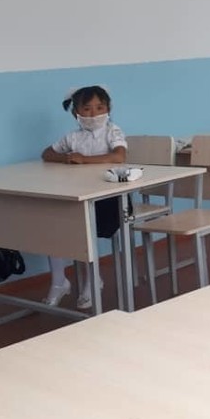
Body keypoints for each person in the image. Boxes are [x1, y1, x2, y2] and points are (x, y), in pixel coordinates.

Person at [41, 85, 127, 307]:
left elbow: (119, 157)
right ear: (76, 112)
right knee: (53, 223)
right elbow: (47, 153)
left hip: (109, 199)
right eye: (87, 109)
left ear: (108, 109)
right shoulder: (73, 137)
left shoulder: (112, 131)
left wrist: (84, 160)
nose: (94, 114)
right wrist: (66, 158)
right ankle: (59, 281)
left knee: (81, 229)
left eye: (100, 108)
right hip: (78, 196)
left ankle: (93, 278)